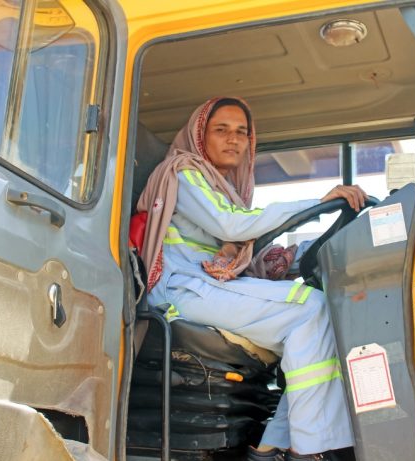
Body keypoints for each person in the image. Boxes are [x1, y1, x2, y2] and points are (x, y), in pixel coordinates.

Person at [137, 96, 367, 460]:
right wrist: (315, 202)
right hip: (182, 289)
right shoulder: (183, 172)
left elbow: (244, 248)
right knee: (313, 309)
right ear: (200, 135)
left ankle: (271, 446)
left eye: (242, 132)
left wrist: (300, 253)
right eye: (222, 130)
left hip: (208, 287)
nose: (233, 139)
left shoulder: (226, 190)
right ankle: (307, 449)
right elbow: (231, 225)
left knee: (318, 321)